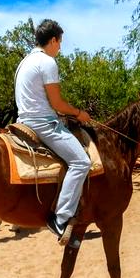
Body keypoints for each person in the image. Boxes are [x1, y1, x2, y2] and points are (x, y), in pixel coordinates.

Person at [15, 19, 92, 240]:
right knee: (81, 162)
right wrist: (79, 113)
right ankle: (60, 218)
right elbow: (58, 104)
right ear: (52, 40)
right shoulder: (47, 62)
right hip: (42, 123)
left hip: (23, 120)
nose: (60, 47)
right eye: (60, 42)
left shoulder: (25, 62)